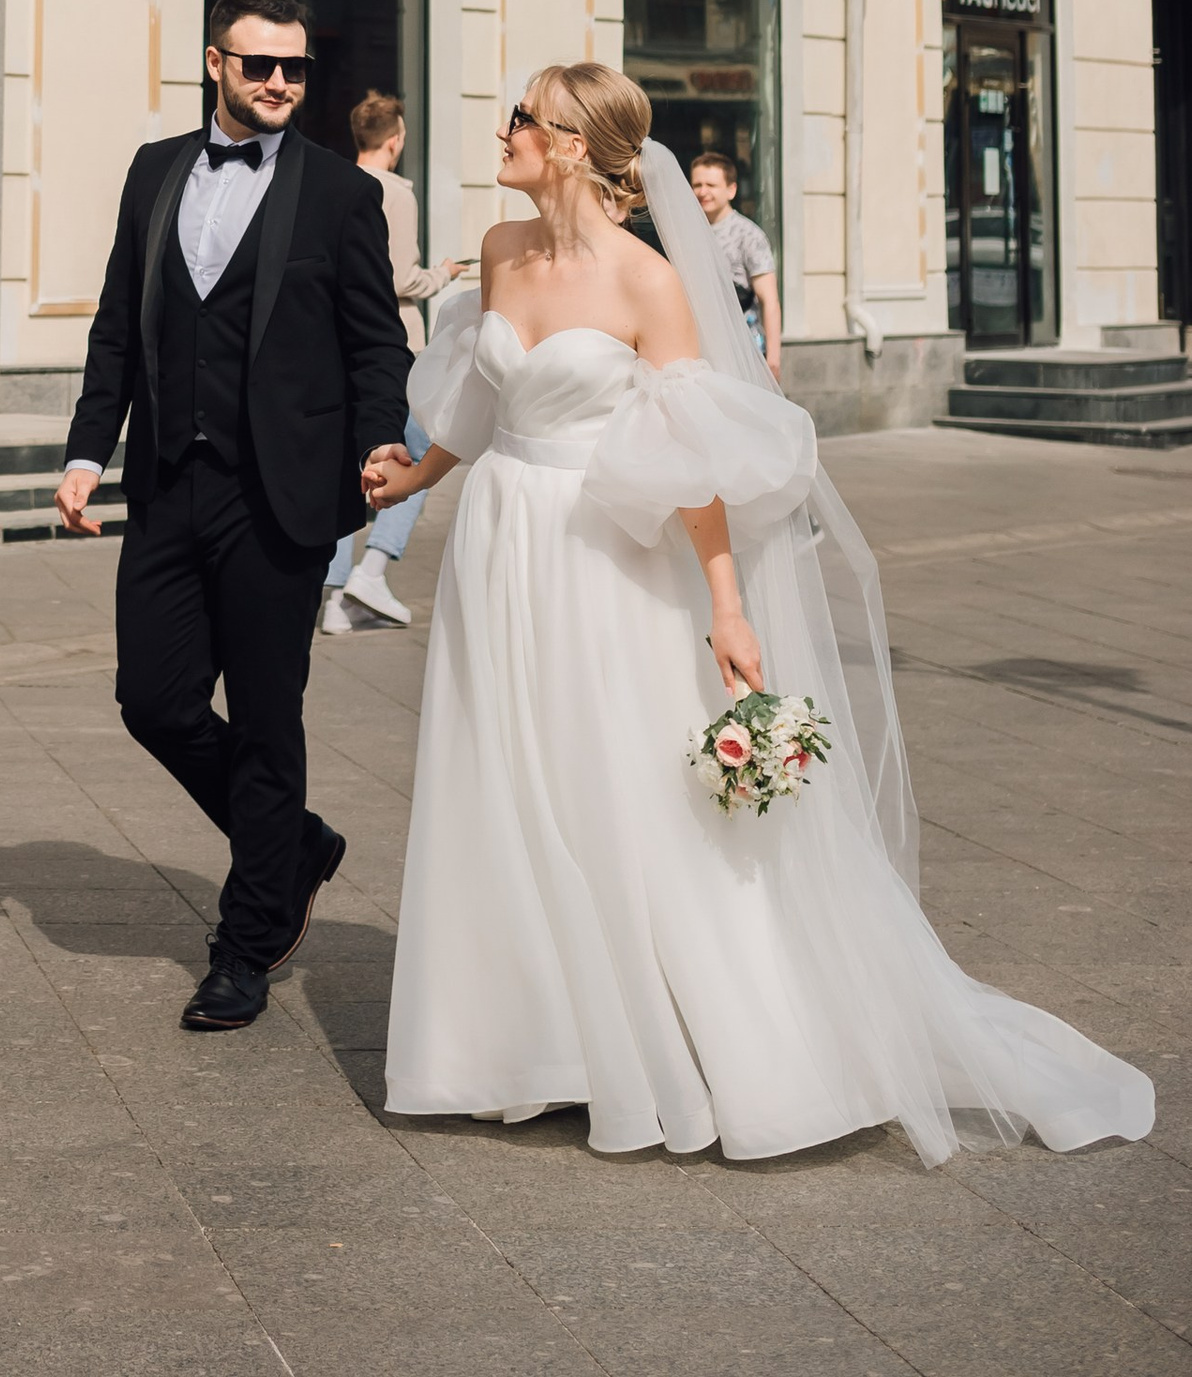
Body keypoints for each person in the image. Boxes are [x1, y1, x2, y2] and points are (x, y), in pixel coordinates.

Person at [361, 62, 1153, 1162]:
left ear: (576, 145)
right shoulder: (498, 250)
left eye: (520, 120)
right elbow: (489, 393)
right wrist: (421, 474)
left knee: (613, 786)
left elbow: (694, 457)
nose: (500, 133)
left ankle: (695, 1033)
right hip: (498, 542)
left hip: (602, 555)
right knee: (505, 773)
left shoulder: (649, 284)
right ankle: (530, 1040)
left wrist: (726, 608)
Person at [54, 0, 410, 1034]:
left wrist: (377, 439)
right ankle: (290, 843)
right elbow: (118, 323)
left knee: (264, 722)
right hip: (169, 483)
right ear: (215, 63)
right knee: (153, 700)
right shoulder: (155, 170)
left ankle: (245, 942)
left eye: (294, 66)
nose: (277, 82)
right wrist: (86, 450)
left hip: (281, 497)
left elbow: (373, 343)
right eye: (258, 63)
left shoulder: (342, 195)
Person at [320, 93, 468, 633]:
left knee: (349, 464)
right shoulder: (393, 192)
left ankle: (334, 599)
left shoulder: (332, 181)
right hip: (393, 342)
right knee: (416, 453)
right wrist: (446, 273)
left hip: (342, 342)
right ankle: (375, 570)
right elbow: (401, 280)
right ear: (395, 140)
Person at [688, 146, 781, 377]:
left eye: (711, 185)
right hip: (700, 348)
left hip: (742, 348)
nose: (702, 191)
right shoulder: (688, 232)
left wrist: (773, 359)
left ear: (731, 190)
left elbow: (769, 300)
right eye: (697, 185)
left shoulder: (749, 235)